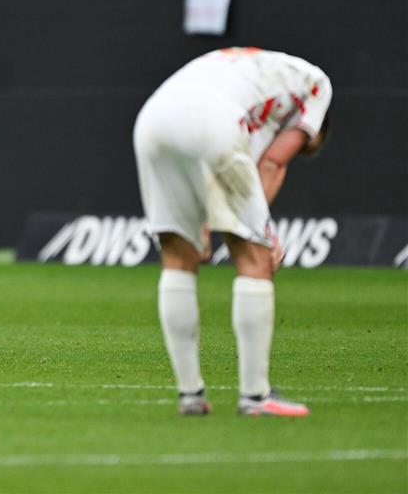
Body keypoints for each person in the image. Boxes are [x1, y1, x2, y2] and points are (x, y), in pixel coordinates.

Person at [133, 47, 332, 417]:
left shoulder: (252, 73)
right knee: (256, 258)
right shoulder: (317, 86)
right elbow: (272, 162)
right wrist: (264, 232)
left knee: (177, 256)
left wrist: (208, 222)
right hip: (210, 121)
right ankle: (255, 397)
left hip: (152, 119)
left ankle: (190, 394)